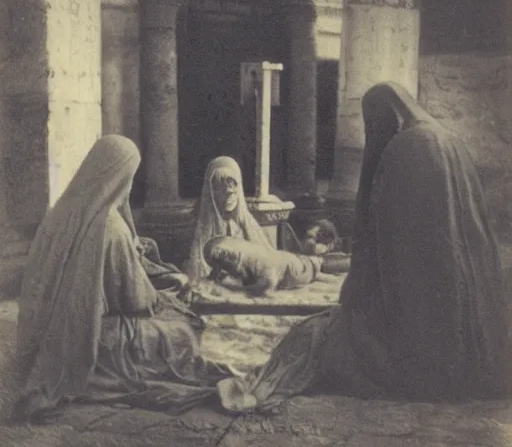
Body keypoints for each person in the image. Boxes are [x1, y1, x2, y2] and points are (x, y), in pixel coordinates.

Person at [216, 82, 512, 411]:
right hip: (473, 338)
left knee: (313, 339)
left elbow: (391, 246)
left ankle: (258, 386)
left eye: (375, 124)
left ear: (390, 116)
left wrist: (360, 293)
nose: (375, 134)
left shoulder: (406, 147)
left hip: (418, 337)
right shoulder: (449, 142)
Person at [15, 135, 236, 423]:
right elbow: (135, 299)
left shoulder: (61, 213)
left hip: (46, 332)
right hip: (91, 335)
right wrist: (169, 286)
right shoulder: (112, 227)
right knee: (182, 328)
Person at [186, 156, 275, 282]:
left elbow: (265, 260)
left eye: (232, 187)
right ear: (212, 192)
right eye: (220, 188)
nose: (228, 192)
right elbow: (197, 270)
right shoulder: (201, 227)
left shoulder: (248, 225)